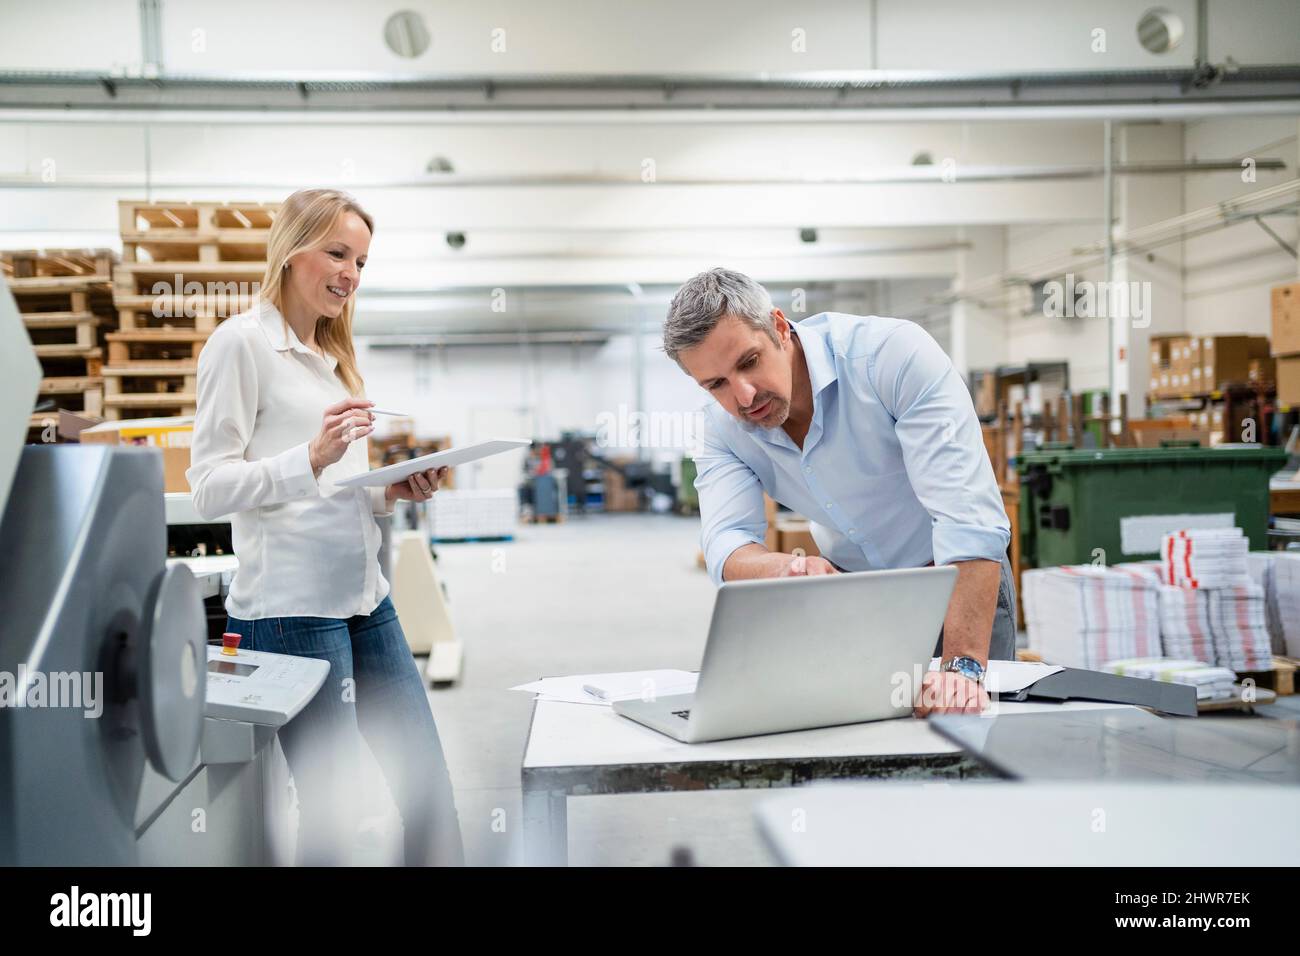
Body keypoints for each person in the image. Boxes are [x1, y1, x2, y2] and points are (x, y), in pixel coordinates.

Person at [187, 188, 463, 865]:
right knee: (338, 811)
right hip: (290, 613)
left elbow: (337, 494)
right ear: (290, 251)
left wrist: (391, 493)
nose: (351, 274)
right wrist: (309, 457)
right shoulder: (241, 346)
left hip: (365, 599)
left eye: (363, 262)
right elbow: (208, 487)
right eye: (337, 253)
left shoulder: (336, 361)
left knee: (425, 784)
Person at [663, 267, 1015, 717]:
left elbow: (968, 519)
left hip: (957, 581)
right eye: (716, 384)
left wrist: (961, 668)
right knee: (865, 749)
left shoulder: (891, 356)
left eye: (748, 362)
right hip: (854, 596)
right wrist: (784, 569)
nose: (744, 395)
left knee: (973, 745)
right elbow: (724, 542)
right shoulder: (719, 430)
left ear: (779, 327)